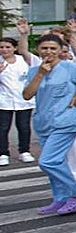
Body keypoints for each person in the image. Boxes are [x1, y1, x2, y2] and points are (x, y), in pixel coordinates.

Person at [22, 33, 76, 215]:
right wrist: (40, 74)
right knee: (56, 162)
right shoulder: (34, 71)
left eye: (53, 48)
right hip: (43, 122)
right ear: (38, 50)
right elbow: (27, 95)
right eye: (44, 48)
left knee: (48, 161)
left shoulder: (70, 67)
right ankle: (60, 198)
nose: (49, 52)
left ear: (61, 50)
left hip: (65, 121)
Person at [0, 27, 37, 166]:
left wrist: (23, 34)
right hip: (3, 100)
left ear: (14, 48)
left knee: (24, 126)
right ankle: (3, 153)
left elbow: (24, 49)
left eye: (7, 47)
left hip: (23, 99)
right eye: (1, 47)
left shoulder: (23, 60)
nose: (4, 50)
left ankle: (24, 151)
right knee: (3, 128)